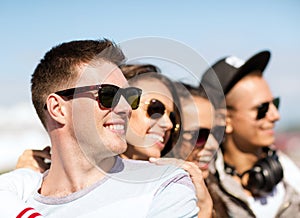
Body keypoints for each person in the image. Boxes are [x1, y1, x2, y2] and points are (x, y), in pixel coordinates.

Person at [0, 39, 199, 217]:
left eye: (130, 96)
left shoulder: (164, 185)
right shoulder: (15, 200)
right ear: (57, 109)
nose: (125, 108)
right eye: (108, 95)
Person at [200, 50, 300, 217]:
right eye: (262, 109)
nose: (276, 115)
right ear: (226, 120)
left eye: (275, 103)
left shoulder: (289, 171)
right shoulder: (202, 187)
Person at [151, 82, 229, 218]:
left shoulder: (217, 189)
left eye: (217, 132)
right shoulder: (155, 198)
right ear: (168, 133)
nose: (212, 145)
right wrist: (204, 210)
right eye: (198, 135)